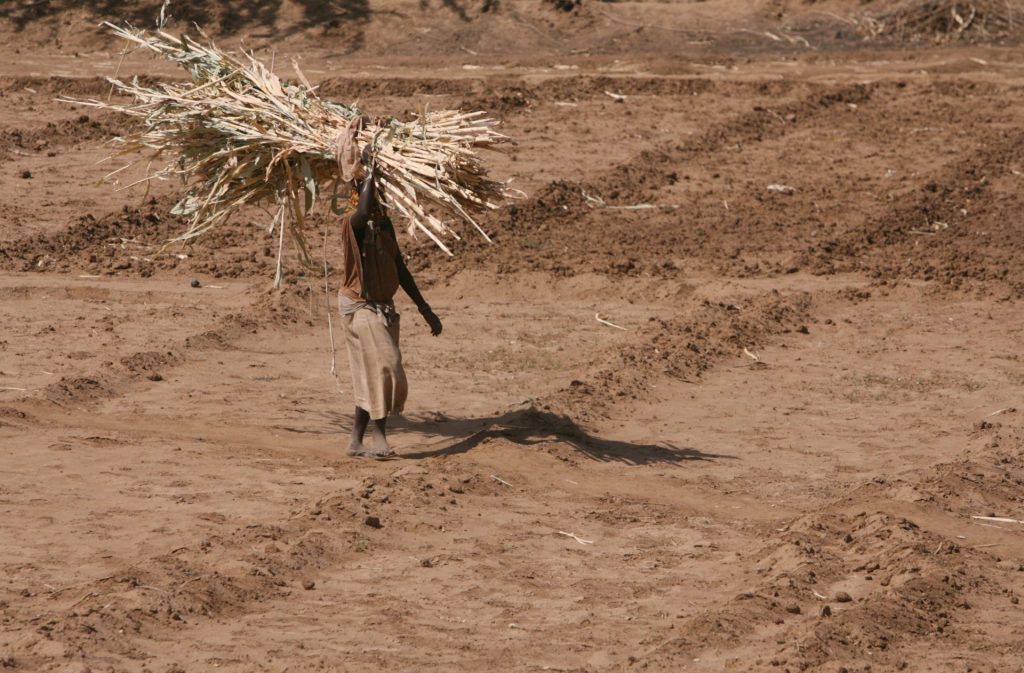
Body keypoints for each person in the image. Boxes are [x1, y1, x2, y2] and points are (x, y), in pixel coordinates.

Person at [337, 147, 442, 459]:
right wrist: (370, 170)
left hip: (383, 307)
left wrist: (426, 310)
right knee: (386, 364)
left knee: (370, 371)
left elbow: (401, 270)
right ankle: (379, 436)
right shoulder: (351, 224)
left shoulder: (385, 228)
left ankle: (356, 441)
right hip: (359, 306)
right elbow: (364, 208)